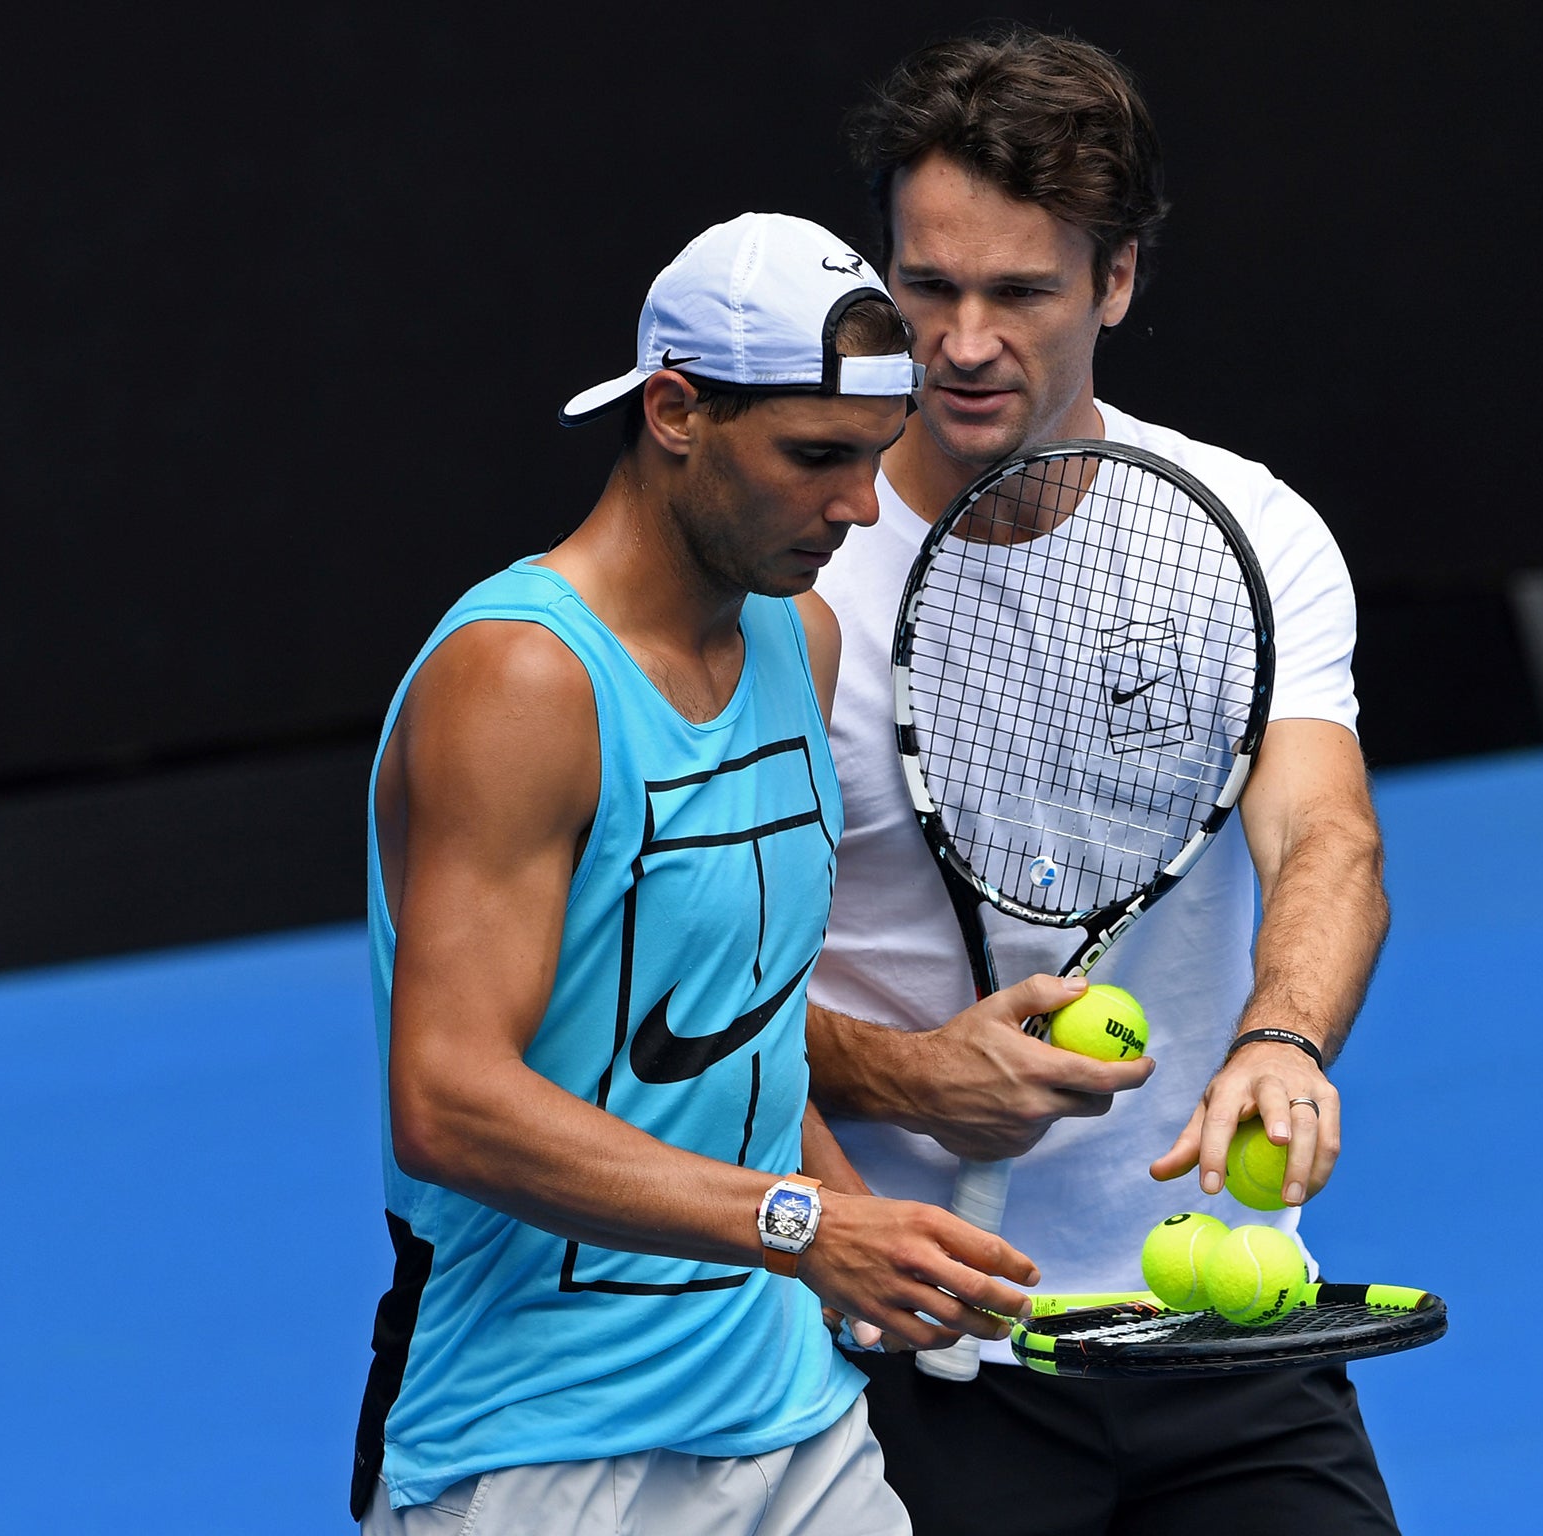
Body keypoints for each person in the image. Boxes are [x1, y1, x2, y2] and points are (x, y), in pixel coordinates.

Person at [349, 211, 1050, 1536]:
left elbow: (732, 1030)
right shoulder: (519, 680)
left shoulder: (804, 642)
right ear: (674, 411)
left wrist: (871, 1243)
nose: (855, 504)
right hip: (541, 1451)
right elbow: (448, 1100)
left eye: (871, 460)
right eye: (813, 458)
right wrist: (802, 1226)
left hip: (792, 1420)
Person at [803, 29, 1403, 1534]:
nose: (962, 342)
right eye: (926, 288)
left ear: (1117, 282)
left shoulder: (1249, 535)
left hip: (1216, 1313)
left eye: (1022, 292)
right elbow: (690, 981)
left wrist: (1284, 1040)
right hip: (914, 1344)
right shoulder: (789, 573)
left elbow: (1323, 835)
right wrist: (907, 1076)